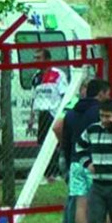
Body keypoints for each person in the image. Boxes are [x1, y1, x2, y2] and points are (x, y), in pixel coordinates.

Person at [59, 79, 110, 223]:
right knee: (103, 204)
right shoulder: (100, 112)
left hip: (76, 162)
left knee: (79, 204)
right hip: (95, 162)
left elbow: (64, 139)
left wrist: (69, 159)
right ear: (101, 93)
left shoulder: (72, 112)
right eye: (107, 93)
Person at [29, 49, 68, 182]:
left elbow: (64, 95)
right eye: (35, 58)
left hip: (54, 113)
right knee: (42, 144)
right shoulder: (36, 77)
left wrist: (62, 114)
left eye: (38, 57)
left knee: (55, 144)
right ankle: (46, 173)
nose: (36, 61)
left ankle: (56, 172)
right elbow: (34, 98)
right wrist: (32, 117)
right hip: (42, 113)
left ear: (47, 59)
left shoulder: (58, 74)